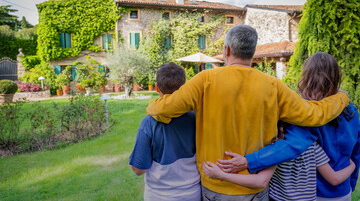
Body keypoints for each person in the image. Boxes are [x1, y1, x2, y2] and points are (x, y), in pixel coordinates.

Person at [146, 25, 350, 200]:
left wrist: (151, 107)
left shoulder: (204, 80)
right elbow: (313, 115)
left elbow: (165, 108)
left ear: (227, 50)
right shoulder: (273, 86)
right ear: (252, 53)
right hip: (256, 184)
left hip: (216, 182)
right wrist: (342, 97)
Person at [217, 53, 360, 201]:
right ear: (336, 76)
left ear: (307, 77)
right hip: (343, 191)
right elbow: (356, 152)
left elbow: (290, 146)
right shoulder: (351, 111)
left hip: (317, 192)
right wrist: (351, 184)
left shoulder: (308, 112)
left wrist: (249, 161)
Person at [129, 62, 200, 201]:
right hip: (192, 193)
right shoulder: (197, 117)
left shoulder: (148, 123)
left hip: (158, 195)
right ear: (184, 87)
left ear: (157, 87)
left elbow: (139, 169)